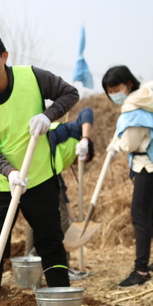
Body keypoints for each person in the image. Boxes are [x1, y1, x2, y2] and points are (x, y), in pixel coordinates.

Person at [0, 31, 79, 306]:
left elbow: (70, 93)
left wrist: (48, 114)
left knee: (50, 242)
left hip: (40, 178)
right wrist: (9, 171)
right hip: (2, 184)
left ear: (4, 56)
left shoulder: (32, 77)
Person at [102, 65, 153, 287]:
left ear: (128, 84)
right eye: (109, 90)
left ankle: (141, 271)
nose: (113, 94)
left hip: (146, 166)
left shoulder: (134, 110)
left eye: (116, 88)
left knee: (140, 217)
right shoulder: (146, 97)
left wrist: (116, 145)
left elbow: (130, 144)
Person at [49, 107, 95, 280]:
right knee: (61, 224)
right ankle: (63, 268)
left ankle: (36, 264)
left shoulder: (62, 155)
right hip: (43, 156)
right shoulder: (73, 133)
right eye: (83, 159)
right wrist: (84, 138)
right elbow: (87, 112)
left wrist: (70, 211)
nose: (77, 162)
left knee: (38, 219)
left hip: (43, 173)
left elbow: (59, 183)